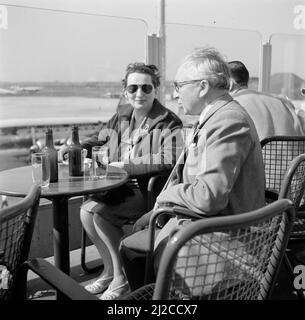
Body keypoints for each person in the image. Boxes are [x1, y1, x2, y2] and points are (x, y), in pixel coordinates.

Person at [119, 47, 266, 291]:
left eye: (179, 85)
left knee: (132, 250)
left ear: (203, 87)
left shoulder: (227, 121)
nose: (175, 94)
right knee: (133, 244)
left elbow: (209, 197)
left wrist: (164, 199)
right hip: (205, 225)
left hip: (219, 242)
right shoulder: (216, 117)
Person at [76, 63, 183, 300]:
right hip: (119, 186)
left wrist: (125, 166)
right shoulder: (123, 114)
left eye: (146, 88)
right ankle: (108, 271)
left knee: (102, 215)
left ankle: (120, 279)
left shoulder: (168, 121)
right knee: (86, 212)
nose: (139, 94)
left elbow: (169, 159)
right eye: (133, 88)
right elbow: (101, 137)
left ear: (156, 90)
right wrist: (78, 147)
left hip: (147, 190)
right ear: (125, 91)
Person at [227, 60, 305, 141]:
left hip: (259, 153)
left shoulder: (233, 105)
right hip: (294, 153)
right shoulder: (283, 101)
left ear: (230, 84)